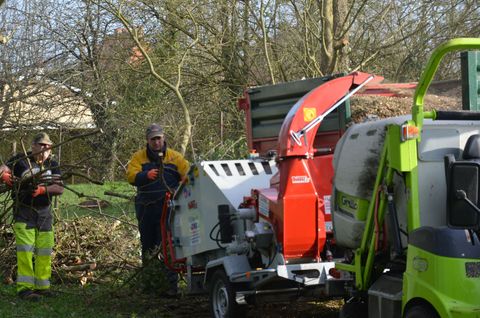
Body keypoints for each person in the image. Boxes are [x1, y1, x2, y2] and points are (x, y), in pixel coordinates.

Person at [126, 123, 189, 295]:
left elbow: (188, 176)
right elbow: (130, 176)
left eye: (158, 138)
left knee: (168, 246)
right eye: (153, 139)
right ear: (147, 140)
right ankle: (150, 285)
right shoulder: (139, 158)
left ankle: (170, 287)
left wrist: (182, 187)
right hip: (146, 208)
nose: (156, 142)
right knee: (148, 245)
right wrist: (144, 176)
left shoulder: (175, 158)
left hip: (169, 209)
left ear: (164, 138)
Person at [0, 132, 64, 301]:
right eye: (41, 145)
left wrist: (43, 190)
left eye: (47, 146)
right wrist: (4, 175)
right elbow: (3, 169)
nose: (44, 149)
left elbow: (59, 188)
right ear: (33, 146)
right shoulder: (20, 160)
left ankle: (42, 287)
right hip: (24, 212)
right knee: (25, 252)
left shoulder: (53, 164)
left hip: (44, 212)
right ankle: (25, 289)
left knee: (44, 251)